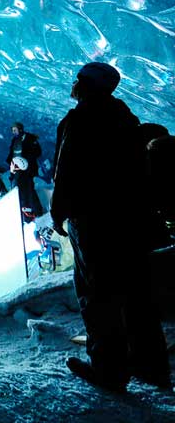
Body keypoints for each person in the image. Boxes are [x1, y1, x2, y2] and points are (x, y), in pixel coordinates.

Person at [51, 62, 171, 392]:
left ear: (88, 86)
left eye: (80, 80)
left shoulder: (78, 121)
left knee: (98, 296)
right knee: (136, 295)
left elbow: (66, 173)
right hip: (129, 220)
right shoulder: (126, 119)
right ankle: (153, 368)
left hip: (91, 222)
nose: (75, 84)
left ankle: (109, 372)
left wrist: (58, 214)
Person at [9, 156, 43, 222]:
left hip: (28, 214)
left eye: (12, 164)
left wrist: (27, 211)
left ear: (16, 167)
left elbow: (25, 197)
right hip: (31, 211)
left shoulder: (19, 180)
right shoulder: (23, 176)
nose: (10, 166)